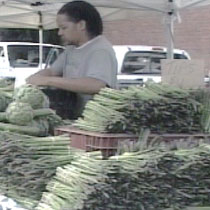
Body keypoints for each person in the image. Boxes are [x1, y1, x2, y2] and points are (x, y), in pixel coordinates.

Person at [26, 0, 118, 117]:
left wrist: (47, 80)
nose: (60, 33)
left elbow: (97, 84)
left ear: (81, 25)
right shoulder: (71, 49)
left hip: (96, 122)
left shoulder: (100, 50)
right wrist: (35, 79)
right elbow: (53, 71)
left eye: (64, 28)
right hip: (74, 117)